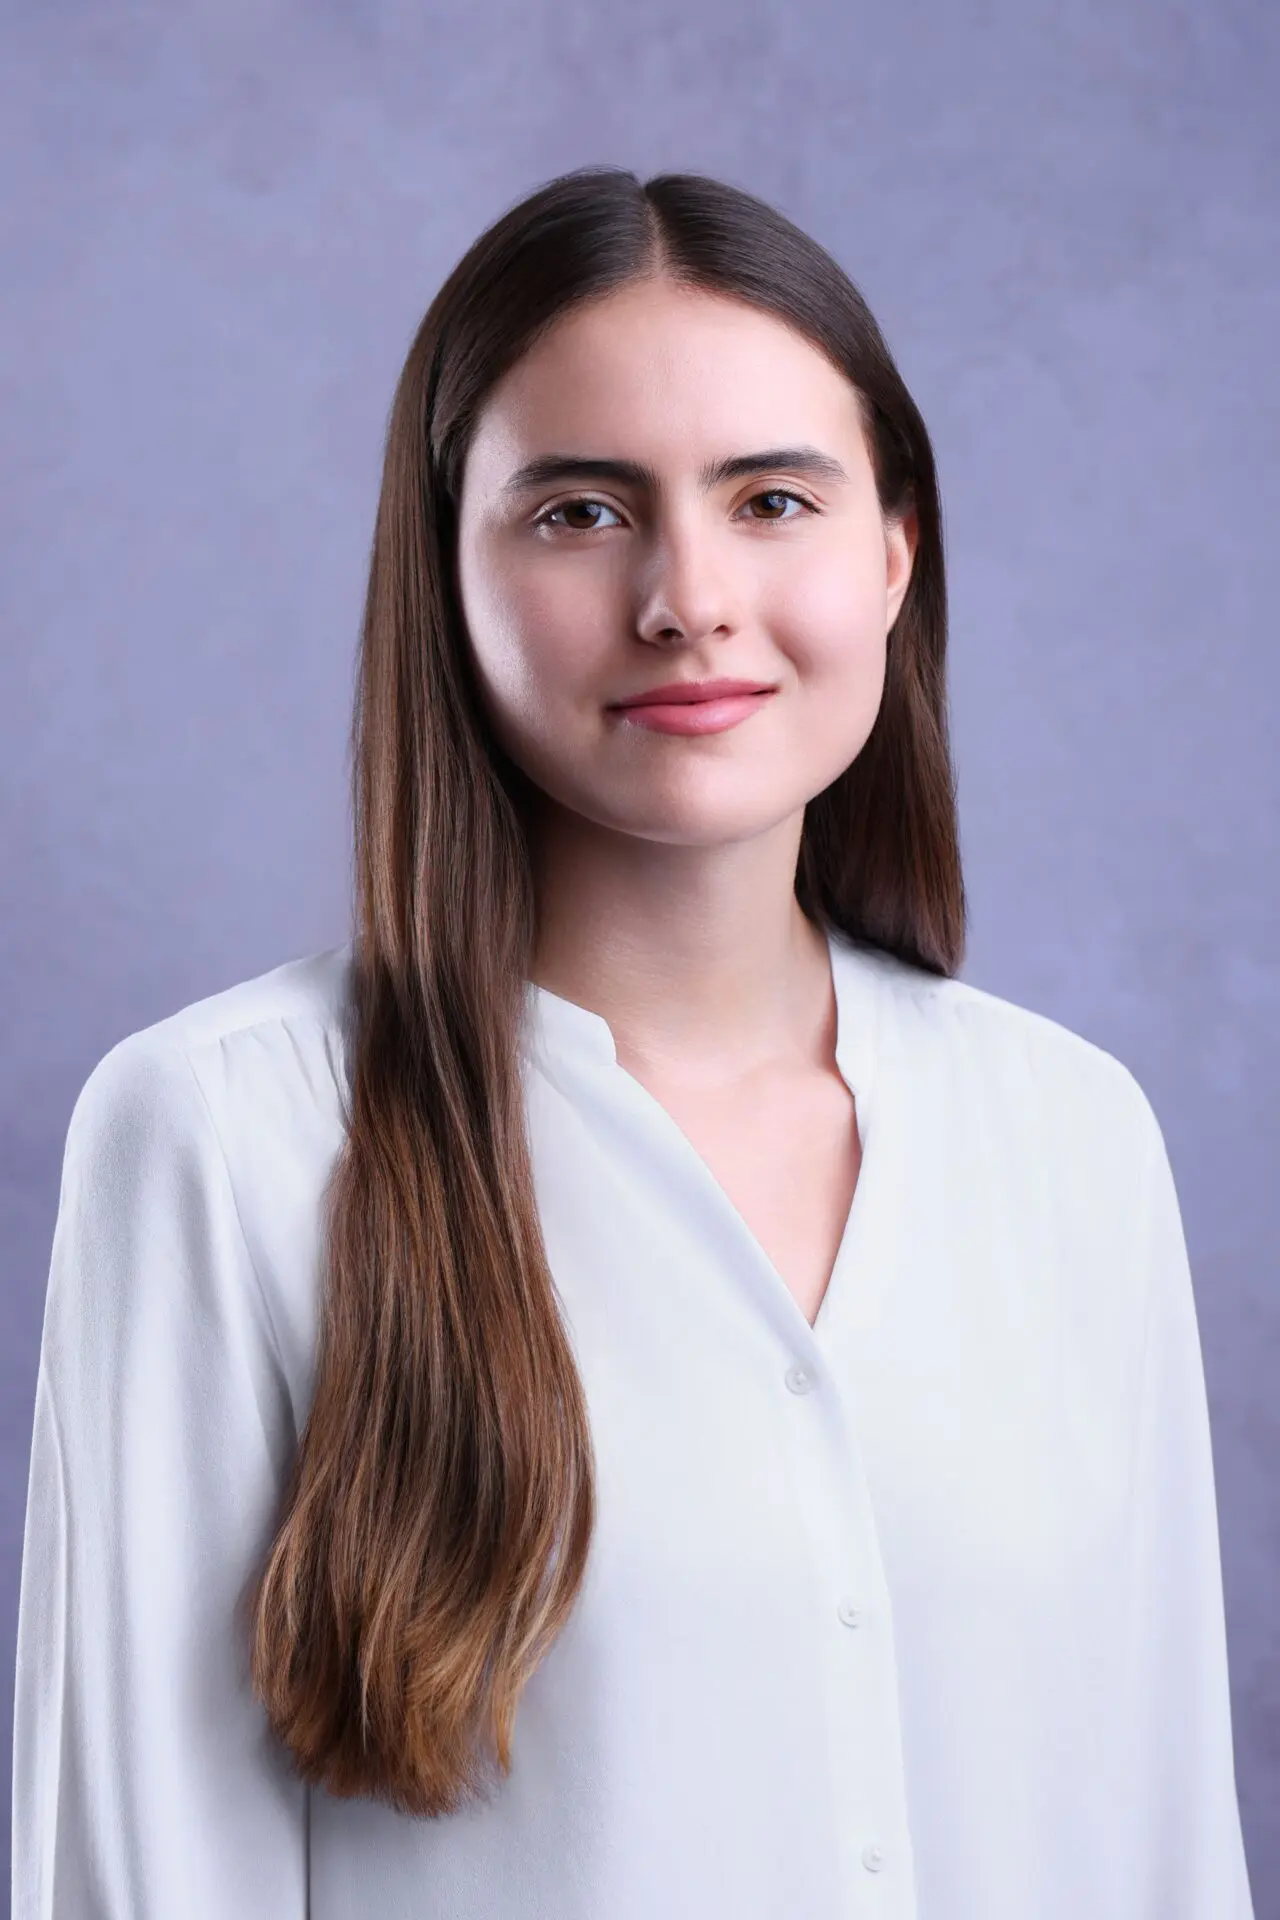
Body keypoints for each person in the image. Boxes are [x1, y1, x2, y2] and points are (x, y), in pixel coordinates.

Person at [11, 164, 1255, 1919]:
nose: (688, 597)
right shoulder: (227, 1141)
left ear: (895, 556)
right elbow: (143, 1872)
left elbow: (1162, 1841)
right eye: (582, 512)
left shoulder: (1072, 1135)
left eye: (772, 499)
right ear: (445, 574)